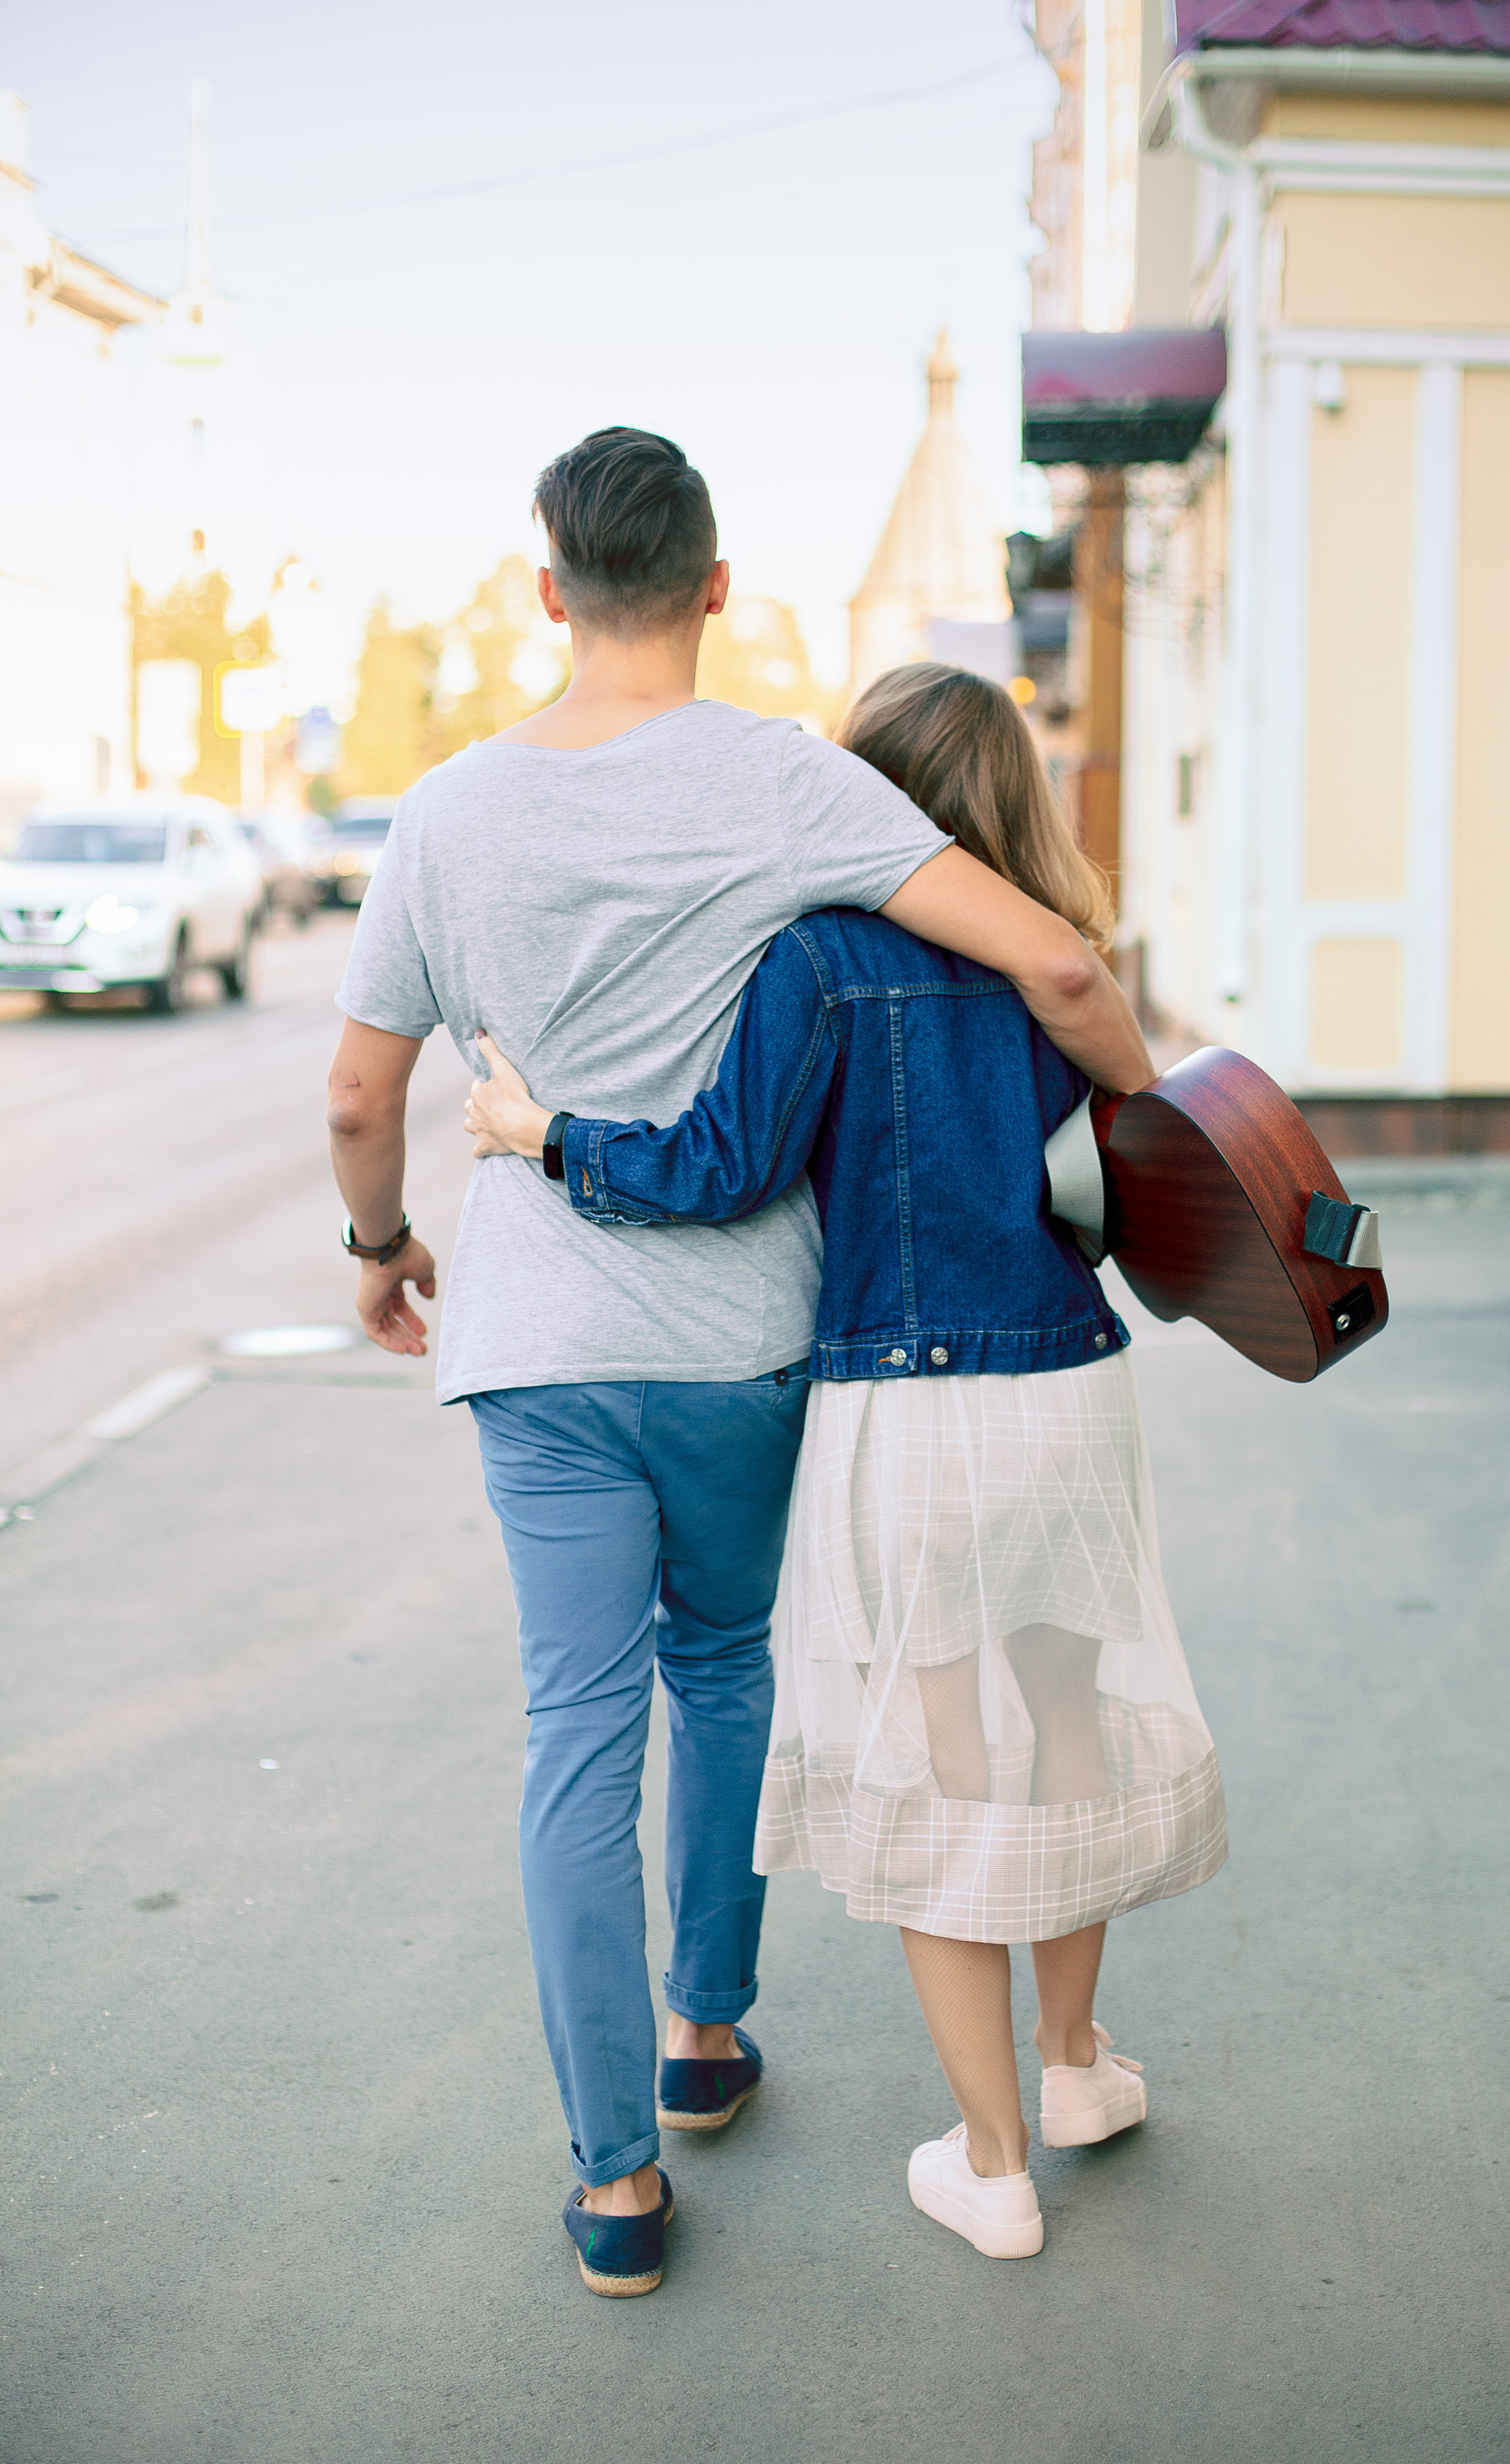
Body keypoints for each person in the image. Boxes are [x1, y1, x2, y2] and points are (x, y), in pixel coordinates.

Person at [327, 429, 1156, 2297]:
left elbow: (360, 1089)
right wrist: (1173, 1138)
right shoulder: (788, 783)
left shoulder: (447, 811)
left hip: (534, 1340)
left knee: (573, 1722)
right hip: (741, 1345)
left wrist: (385, 1250)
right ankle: (711, 2028)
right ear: (715, 586)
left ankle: (616, 2181)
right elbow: (1045, 959)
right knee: (721, 1668)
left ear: (549, 590)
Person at [463, 662, 1228, 2264]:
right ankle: (1076, 2072)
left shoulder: (817, 958)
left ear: (860, 799)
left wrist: (535, 1133)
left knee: (948, 1743)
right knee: (1065, 1714)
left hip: (907, 1402)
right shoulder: (1057, 961)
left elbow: (716, 1170)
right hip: (1070, 1387)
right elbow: (1129, 1148)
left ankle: (992, 2161)